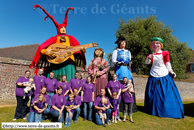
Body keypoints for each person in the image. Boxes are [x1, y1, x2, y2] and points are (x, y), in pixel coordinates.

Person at [30, 5, 86, 82]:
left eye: (64, 28)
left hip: (69, 65)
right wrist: (46, 52)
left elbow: (77, 50)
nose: (62, 29)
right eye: (61, 28)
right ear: (58, 29)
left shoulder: (71, 38)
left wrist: (82, 51)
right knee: (54, 82)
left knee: (69, 82)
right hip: (56, 64)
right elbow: (41, 48)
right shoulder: (54, 39)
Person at [144, 37, 184, 118]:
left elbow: (167, 63)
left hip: (164, 74)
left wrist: (171, 72)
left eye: (157, 43)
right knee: (153, 93)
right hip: (153, 75)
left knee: (166, 93)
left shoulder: (165, 53)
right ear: (151, 46)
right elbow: (147, 63)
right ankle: (153, 110)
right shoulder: (150, 54)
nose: (155, 45)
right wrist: (149, 58)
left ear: (161, 45)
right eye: (153, 44)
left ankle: (166, 111)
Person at [112, 36, 138, 113]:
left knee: (129, 84)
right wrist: (117, 62)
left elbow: (129, 60)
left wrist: (130, 63)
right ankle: (119, 106)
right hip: (119, 69)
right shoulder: (116, 51)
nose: (123, 44)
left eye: (124, 43)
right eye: (122, 43)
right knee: (120, 85)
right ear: (119, 44)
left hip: (127, 69)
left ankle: (130, 107)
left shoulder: (128, 52)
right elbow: (113, 60)